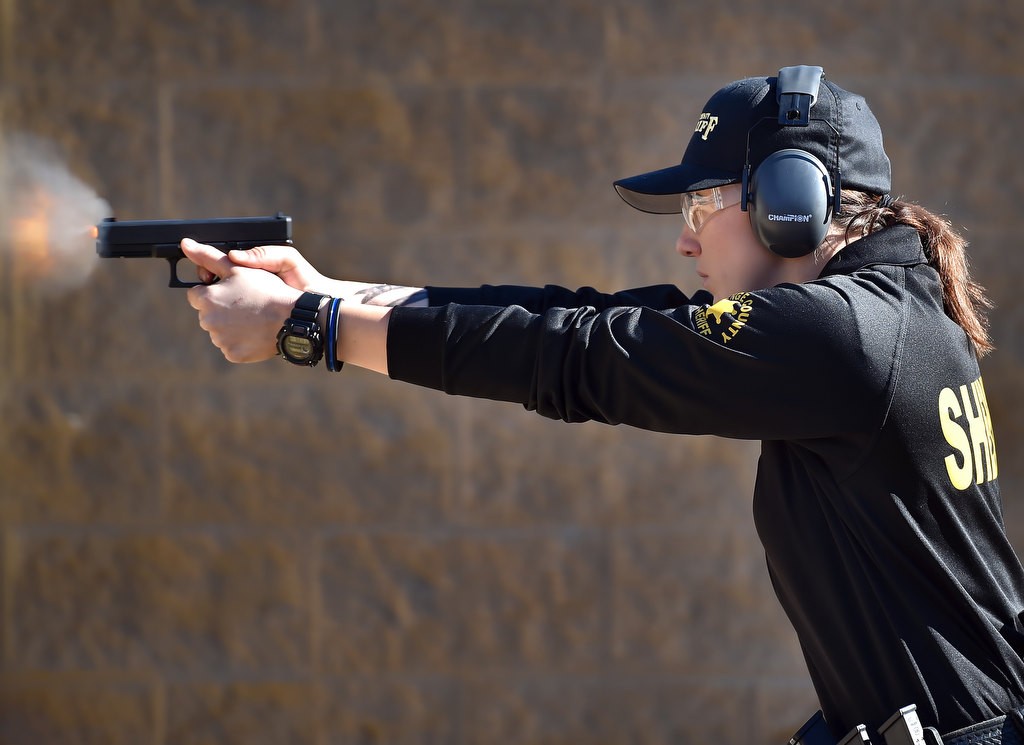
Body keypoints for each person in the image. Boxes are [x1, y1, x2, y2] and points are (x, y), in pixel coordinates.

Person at [183, 66, 1024, 744]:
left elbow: (579, 356)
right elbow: (578, 319)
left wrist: (315, 330)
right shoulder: (882, 316)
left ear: (790, 205)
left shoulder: (844, 337)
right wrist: (331, 292)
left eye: (702, 203)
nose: (686, 237)